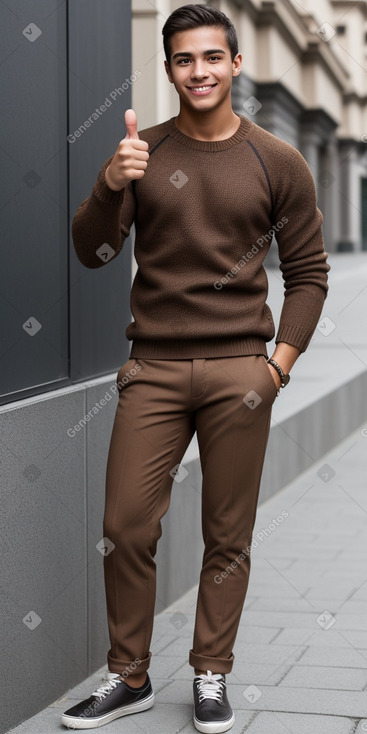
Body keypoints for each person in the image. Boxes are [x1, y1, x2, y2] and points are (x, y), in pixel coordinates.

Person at [61, 3, 329, 732]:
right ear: (170, 67)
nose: (199, 71)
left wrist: (273, 369)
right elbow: (91, 252)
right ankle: (131, 677)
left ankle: (209, 673)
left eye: (212, 57)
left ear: (235, 65)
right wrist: (111, 185)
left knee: (226, 532)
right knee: (125, 525)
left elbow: (308, 274)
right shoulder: (140, 153)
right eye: (183, 59)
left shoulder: (277, 160)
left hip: (240, 372)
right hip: (152, 369)